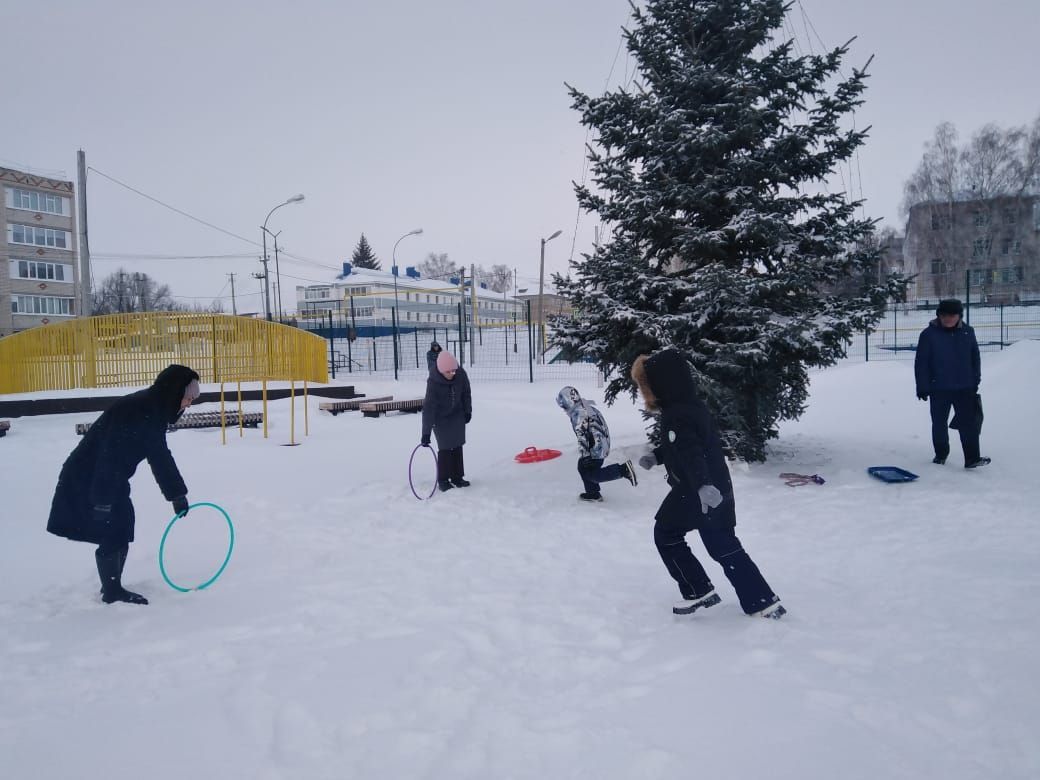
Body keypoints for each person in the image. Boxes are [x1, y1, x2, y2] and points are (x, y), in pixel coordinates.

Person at [632, 349, 785, 618]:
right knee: (722, 545)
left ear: (661, 383)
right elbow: (683, 444)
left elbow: (692, 452)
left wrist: (702, 486)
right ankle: (762, 601)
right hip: (716, 486)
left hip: (697, 491)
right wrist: (657, 456)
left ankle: (697, 590)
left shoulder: (676, 414)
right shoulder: (690, 406)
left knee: (666, 535)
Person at [47, 364, 201, 605]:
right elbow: (109, 454)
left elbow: (160, 457)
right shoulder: (139, 410)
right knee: (114, 527)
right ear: (174, 392)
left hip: (107, 477)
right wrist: (102, 499)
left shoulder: (153, 410)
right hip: (90, 476)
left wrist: (177, 495)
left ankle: (112, 587)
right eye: (188, 398)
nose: (188, 404)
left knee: (121, 524)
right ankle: (112, 591)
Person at [914, 298, 989, 468]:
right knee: (939, 424)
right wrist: (923, 386)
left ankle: (972, 458)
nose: (948, 318)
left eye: (952, 315)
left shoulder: (968, 332)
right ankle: (941, 454)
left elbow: (975, 358)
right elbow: (922, 363)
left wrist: (975, 380)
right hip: (938, 388)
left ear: (959, 315)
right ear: (939, 315)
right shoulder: (928, 335)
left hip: (965, 387)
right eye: (944, 315)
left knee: (969, 425)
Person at [556, 386, 637, 502]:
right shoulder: (586, 406)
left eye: (564, 406)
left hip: (595, 448)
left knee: (592, 474)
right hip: (602, 443)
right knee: (582, 467)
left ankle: (623, 470)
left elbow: (582, 437)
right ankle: (593, 493)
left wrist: (586, 455)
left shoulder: (577, 415)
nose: (564, 409)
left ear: (569, 402)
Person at [421, 351, 472, 491]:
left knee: (457, 445)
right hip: (440, 417)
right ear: (441, 370)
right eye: (448, 371)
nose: (452, 373)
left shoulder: (461, 374)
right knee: (445, 447)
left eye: (454, 370)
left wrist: (468, 411)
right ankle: (443, 480)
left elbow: (466, 393)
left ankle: (457, 477)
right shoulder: (433, 382)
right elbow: (429, 408)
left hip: (457, 414)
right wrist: (426, 433)